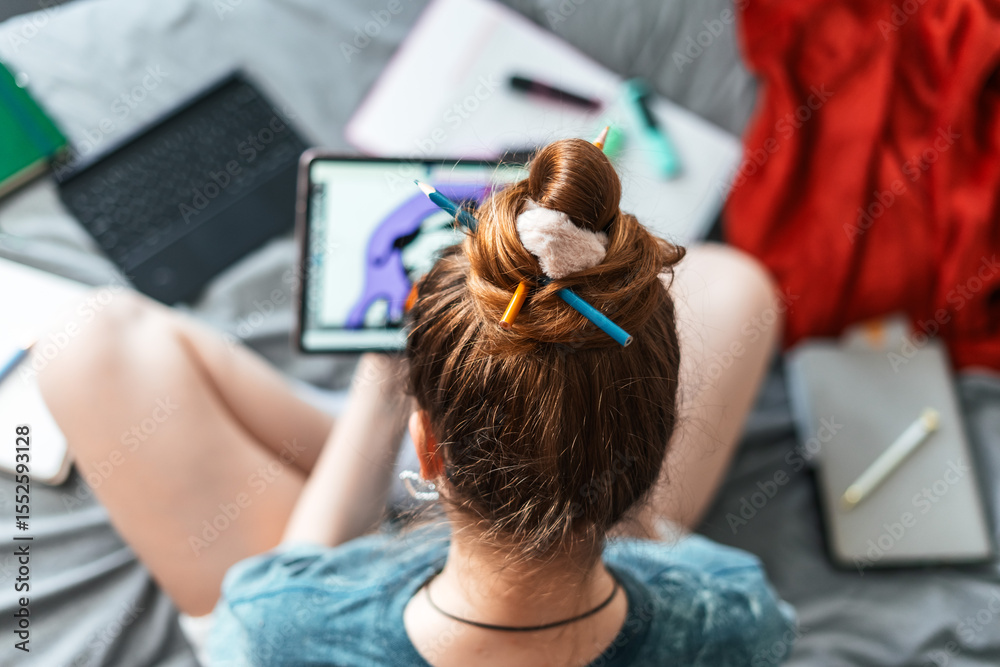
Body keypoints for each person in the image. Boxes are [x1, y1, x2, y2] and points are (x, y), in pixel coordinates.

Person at [39, 138, 794, 666]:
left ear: (426, 446)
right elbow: (746, 619)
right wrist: (595, 454)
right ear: (658, 443)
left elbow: (279, 585)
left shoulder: (279, 632)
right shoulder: (727, 612)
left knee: (87, 339)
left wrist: (381, 384)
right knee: (735, 286)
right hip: (583, 525)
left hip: (360, 551)